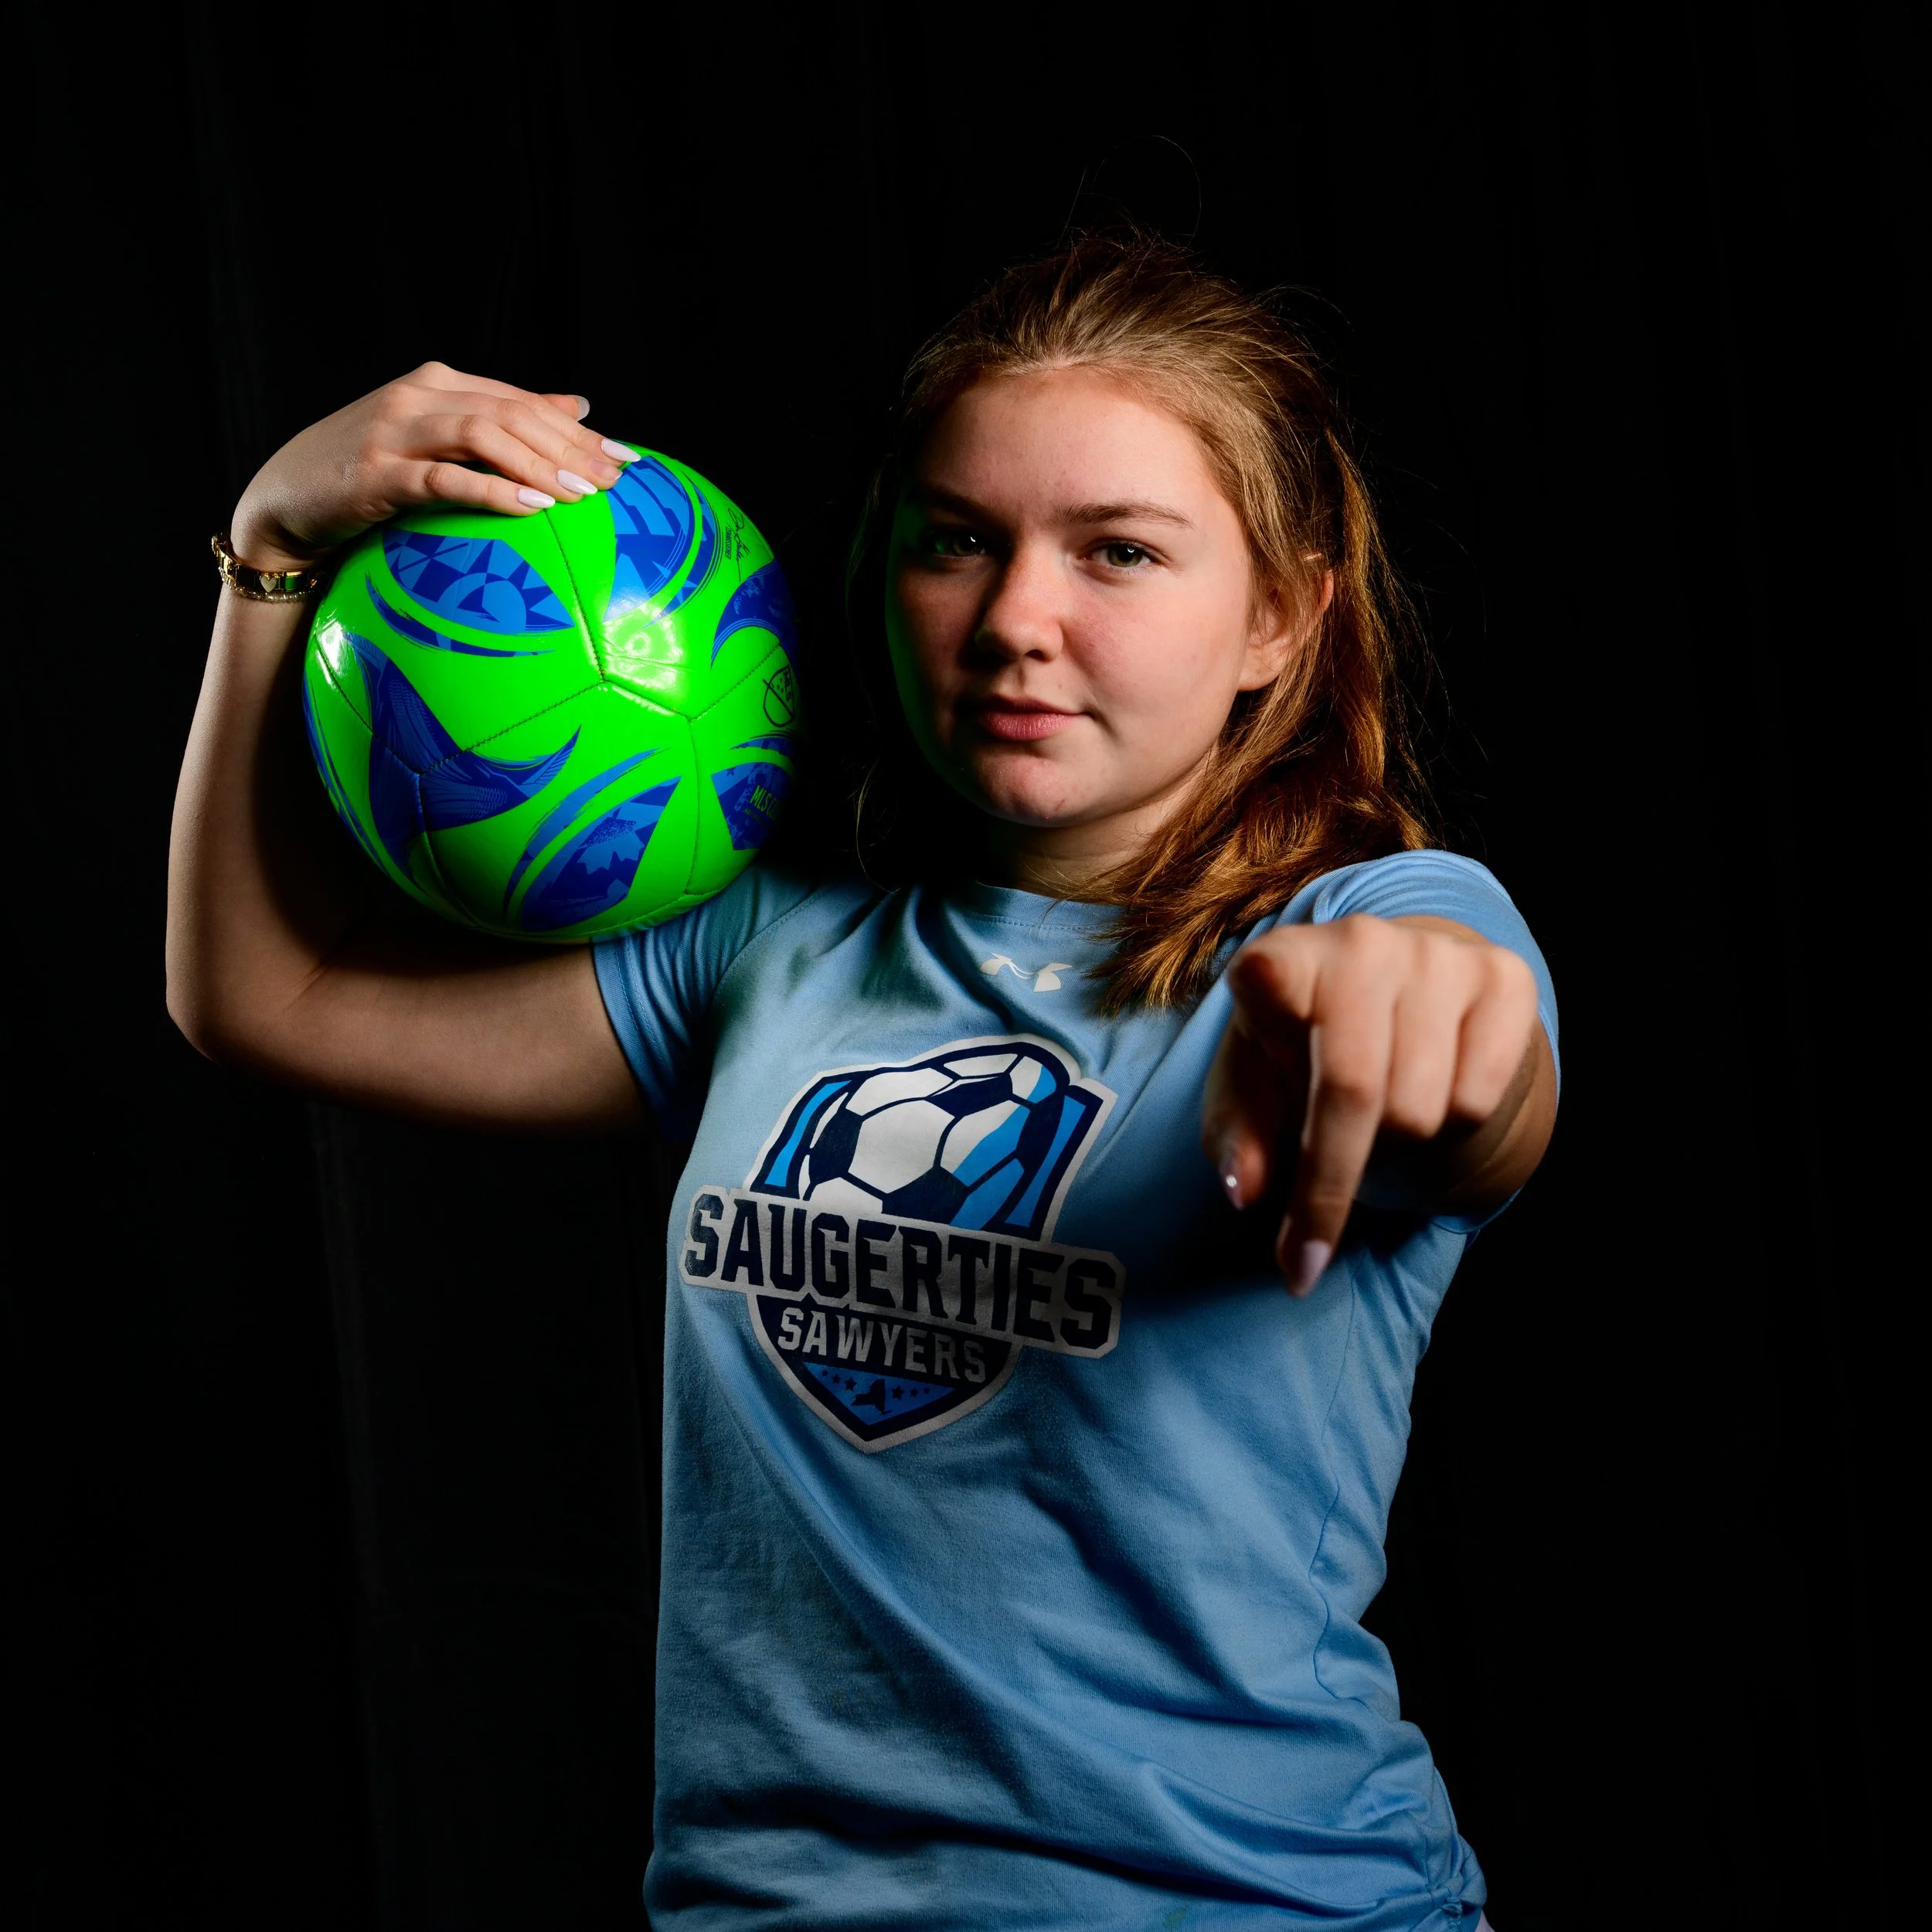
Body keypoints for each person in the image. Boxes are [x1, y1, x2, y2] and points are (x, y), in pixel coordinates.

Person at [169, 235, 1557, 1930]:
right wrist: (269, 554)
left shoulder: (1374, 922)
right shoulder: (774, 951)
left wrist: (1424, 1023)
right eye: (958, 540)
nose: (1016, 621)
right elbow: (269, 991)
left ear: (1280, 614)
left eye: (1119, 551)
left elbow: (1480, 1081)